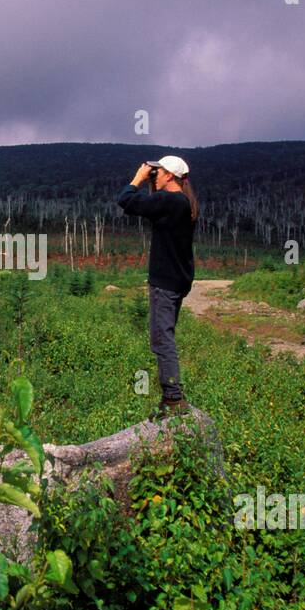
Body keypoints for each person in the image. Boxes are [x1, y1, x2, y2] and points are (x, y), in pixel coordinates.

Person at [117, 155, 198, 417]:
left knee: (162, 339)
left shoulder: (168, 200)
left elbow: (126, 200)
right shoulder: (183, 202)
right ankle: (171, 396)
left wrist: (138, 179)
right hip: (178, 280)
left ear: (170, 176)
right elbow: (151, 207)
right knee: (166, 335)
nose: (156, 175)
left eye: (159, 172)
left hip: (164, 282)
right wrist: (152, 183)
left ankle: (173, 399)